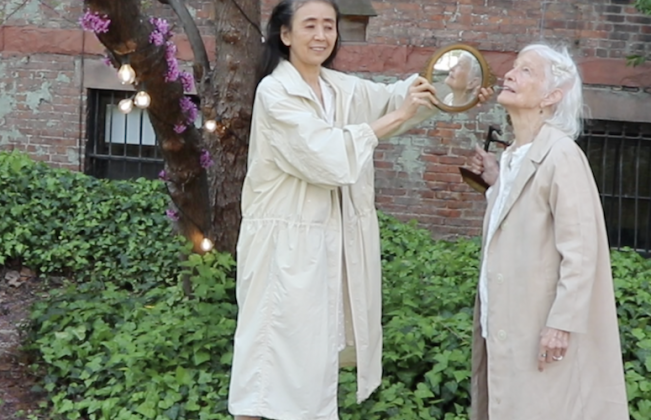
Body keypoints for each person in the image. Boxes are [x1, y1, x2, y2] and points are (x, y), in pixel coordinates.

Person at [228, 1, 490, 419]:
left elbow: (394, 99)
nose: (321, 35)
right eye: (310, 26)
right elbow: (325, 154)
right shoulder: (275, 93)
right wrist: (398, 115)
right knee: (265, 365)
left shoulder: (339, 88)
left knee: (314, 366)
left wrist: (455, 89)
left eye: (328, 26)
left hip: (327, 246)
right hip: (282, 249)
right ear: (285, 35)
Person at [465, 43, 629, 420]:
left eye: (526, 71)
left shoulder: (562, 155)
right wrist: (496, 182)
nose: (509, 74)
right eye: (514, 67)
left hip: (539, 328)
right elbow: (521, 218)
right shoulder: (513, 156)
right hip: (506, 323)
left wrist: (561, 324)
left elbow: (581, 250)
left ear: (553, 95)